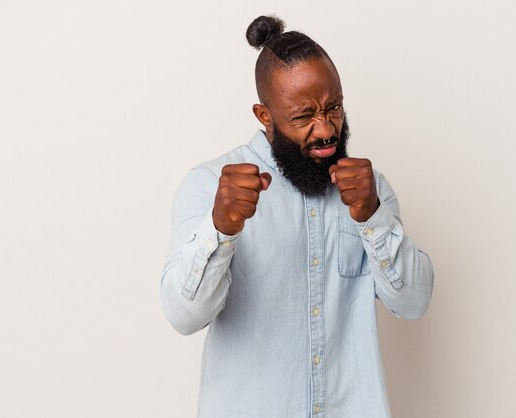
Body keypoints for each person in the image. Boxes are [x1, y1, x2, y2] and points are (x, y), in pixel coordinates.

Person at [160, 15, 434, 418]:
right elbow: (182, 317)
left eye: (334, 108)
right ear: (265, 116)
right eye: (304, 116)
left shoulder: (368, 187)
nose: (326, 130)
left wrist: (372, 216)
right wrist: (219, 228)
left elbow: (414, 303)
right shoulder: (210, 186)